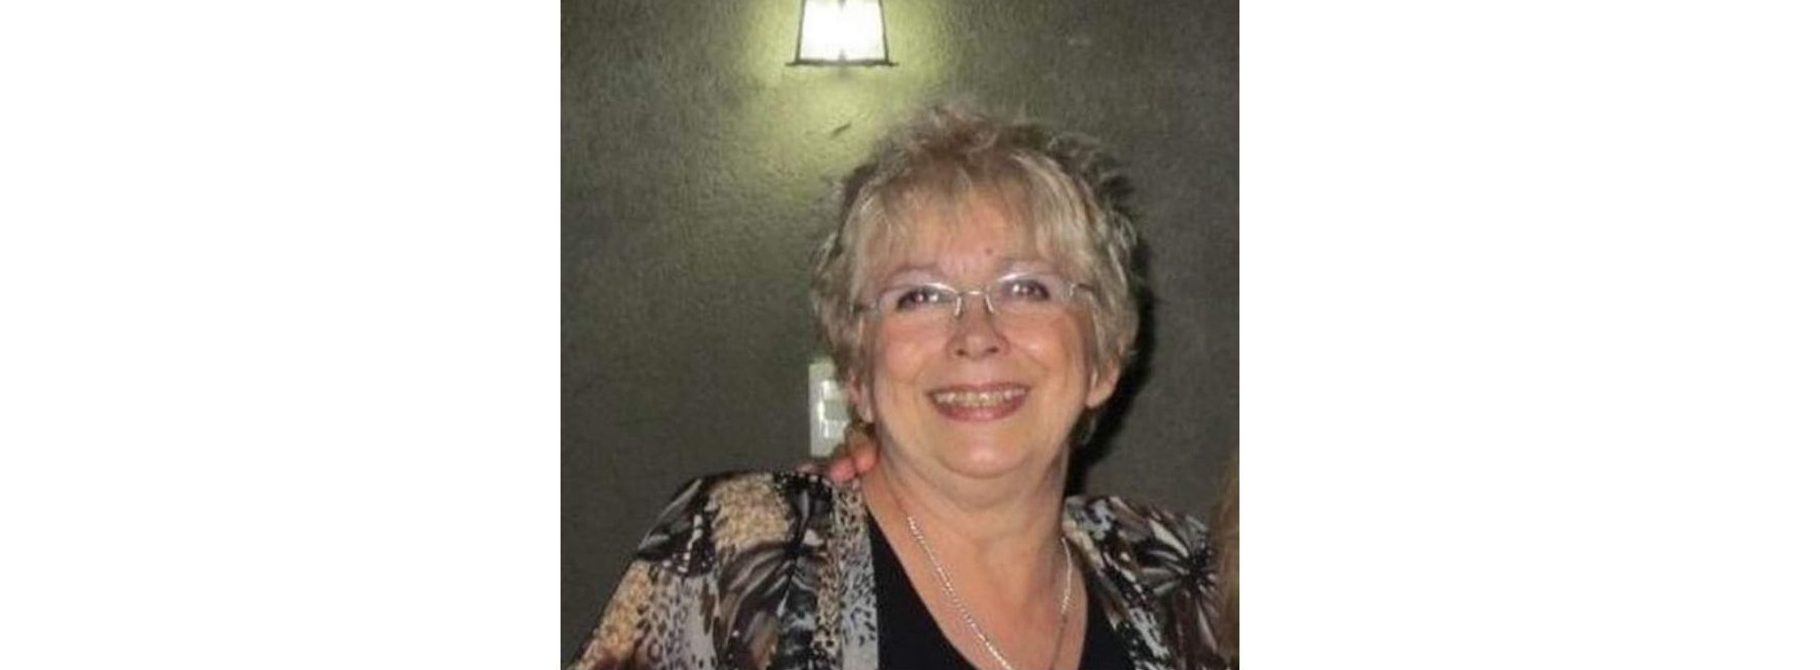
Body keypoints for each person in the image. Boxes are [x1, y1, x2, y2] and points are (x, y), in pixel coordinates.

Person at [570, 105, 1228, 670]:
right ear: (857, 373)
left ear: (1104, 357)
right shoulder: (748, 553)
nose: (976, 334)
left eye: (1027, 288)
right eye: (920, 296)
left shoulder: (1170, 574)